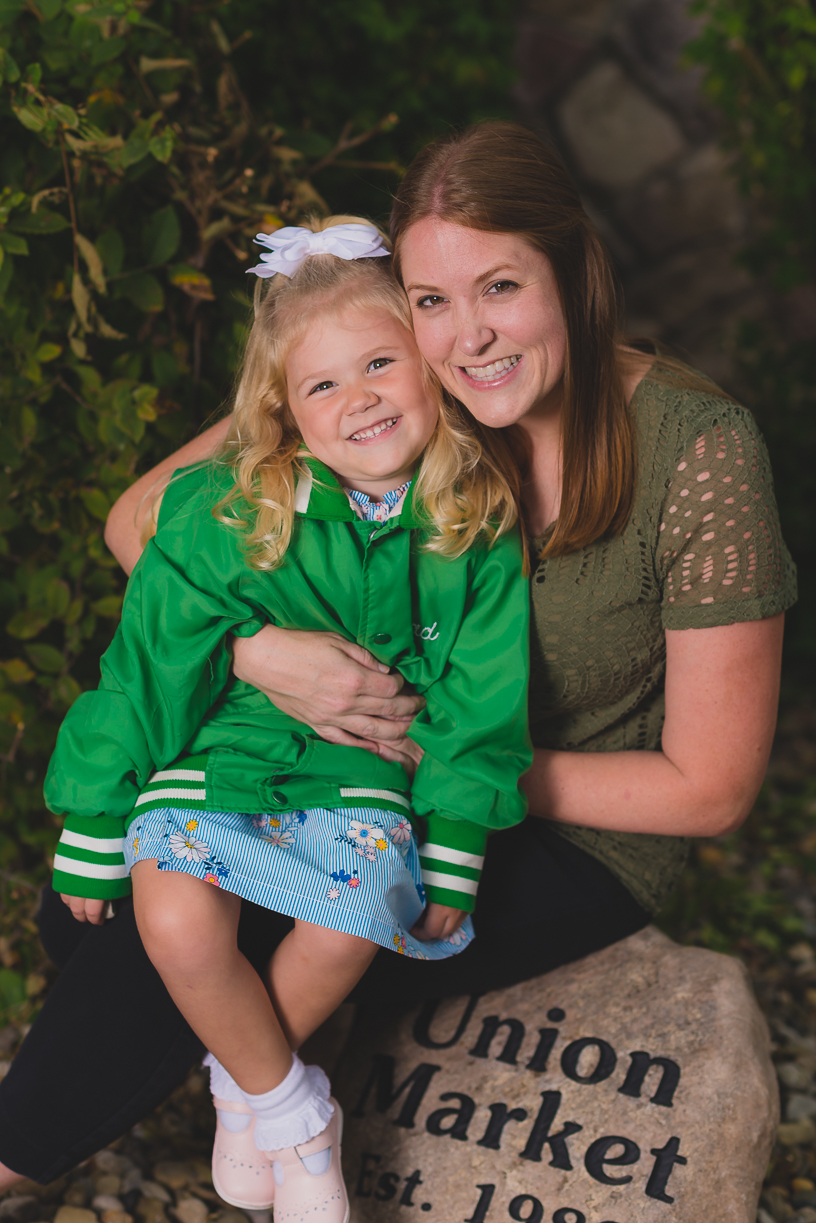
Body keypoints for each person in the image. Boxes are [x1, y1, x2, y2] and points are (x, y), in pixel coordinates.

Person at [0, 122, 795, 1189]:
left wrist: (432, 748)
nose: (468, 337)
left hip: (566, 826)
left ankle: (92, 1140)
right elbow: (143, 521)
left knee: (192, 920)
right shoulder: (399, 396)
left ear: (575, 270)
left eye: (502, 286)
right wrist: (258, 651)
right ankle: (267, 1092)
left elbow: (712, 788)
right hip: (338, 761)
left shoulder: (701, 454)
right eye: (430, 300)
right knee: (114, 905)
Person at [40, 216, 531, 1216]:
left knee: (354, 922)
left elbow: (485, 697)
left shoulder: (473, 527)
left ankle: (243, 1084)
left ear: (431, 371)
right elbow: (150, 657)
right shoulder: (230, 506)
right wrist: (93, 816)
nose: (359, 399)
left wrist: (457, 843)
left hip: (357, 770)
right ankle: (299, 1114)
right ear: (285, 412)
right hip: (220, 749)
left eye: (381, 364)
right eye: (323, 385)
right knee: (173, 916)